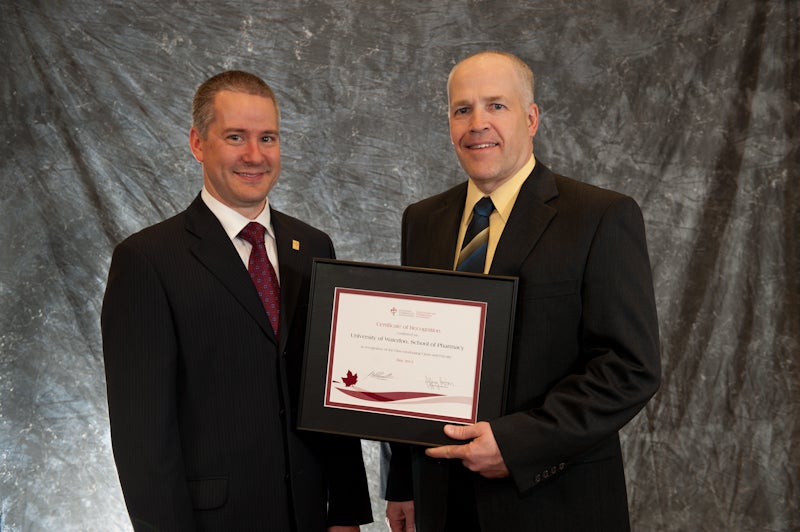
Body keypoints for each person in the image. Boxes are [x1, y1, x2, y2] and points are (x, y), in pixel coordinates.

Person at [382, 51, 661, 531]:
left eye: (496, 106)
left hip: (553, 503)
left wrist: (516, 444)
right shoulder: (422, 220)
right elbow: (414, 358)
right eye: (462, 109)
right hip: (442, 502)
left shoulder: (599, 217)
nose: (477, 124)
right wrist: (402, 485)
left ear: (531, 118)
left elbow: (629, 367)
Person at [102, 70, 373, 531]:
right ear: (197, 143)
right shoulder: (147, 260)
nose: (255, 155)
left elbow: (333, 395)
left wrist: (346, 511)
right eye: (235, 137)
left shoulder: (313, 248)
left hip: (310, 515)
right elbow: (142, 436)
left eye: (268, 137)